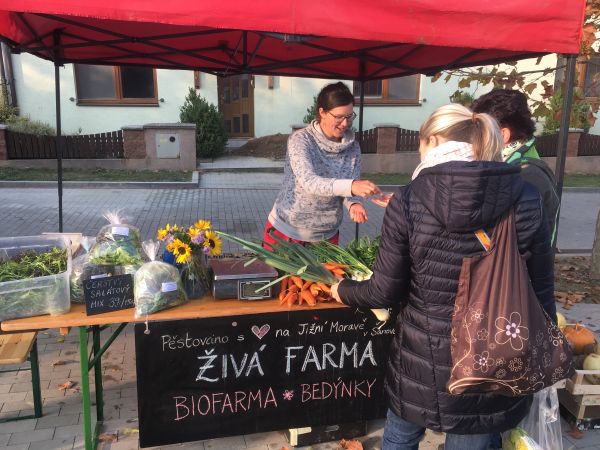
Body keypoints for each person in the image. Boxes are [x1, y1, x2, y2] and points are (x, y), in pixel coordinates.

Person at [330, 104, 556, 450]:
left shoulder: (408, 200)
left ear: (433, 140)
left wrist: (341, 289)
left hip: (422, 359)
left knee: (400, 439)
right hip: (492, 355)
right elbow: (541, 289)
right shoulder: (525, 198)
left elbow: (384, 292)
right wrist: (543, 353)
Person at [263, 82, 381, 248]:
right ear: (322, 112)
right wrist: (352, 186)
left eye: (349, 116)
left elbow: (348, 188)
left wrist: (353, 203)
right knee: (282, 275)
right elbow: (309, 182)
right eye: (339, 117)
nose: (345, 123)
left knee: (328, 275)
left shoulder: (353, 147)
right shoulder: (301, 140)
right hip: (287, 231)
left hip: (326, 237)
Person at [472, 89, 560, 247]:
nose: (473, 139)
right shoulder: (514, 167)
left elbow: (514, 245)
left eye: (478, 130)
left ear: (502, 134)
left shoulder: (526, 175)